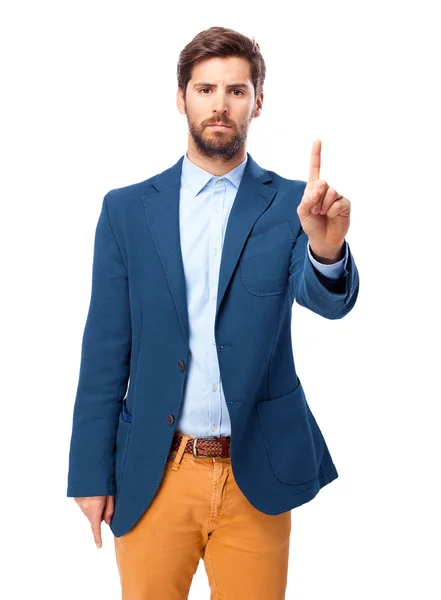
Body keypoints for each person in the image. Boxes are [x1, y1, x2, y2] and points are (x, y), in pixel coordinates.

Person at [67, 25, 360, 600]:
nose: (219, 105)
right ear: (181, 98)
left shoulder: (292, 204)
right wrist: (89, 473)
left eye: (235, 90)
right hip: (155, 471)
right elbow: (104, 348)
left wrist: (326, 248)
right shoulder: (127, 210)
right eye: (205, 89)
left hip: (255, 472)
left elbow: (324, 298)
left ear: (258, 101)